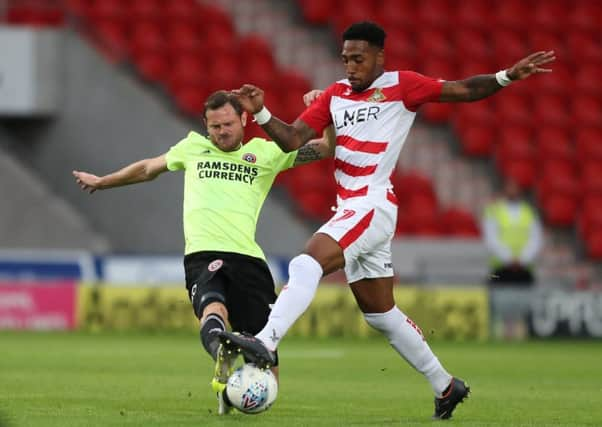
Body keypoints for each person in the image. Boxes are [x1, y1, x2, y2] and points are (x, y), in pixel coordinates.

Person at [218, 21, 555, 420]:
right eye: (345, 59)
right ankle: (446, 386)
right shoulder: (333, 95)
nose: (351, 67)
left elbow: (463, 90)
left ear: (380, 57)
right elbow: (292, 139)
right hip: (354, 208)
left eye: (359, 59)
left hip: (371, 203)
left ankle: (266, 340)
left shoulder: (403, 85)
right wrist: (263, 112)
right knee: (381, 314)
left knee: (307, 261)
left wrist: (505, 76)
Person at [72, 90, 334, 415]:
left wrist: (327, 113)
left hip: (250, 261)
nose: (221, 132)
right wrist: (103, 182)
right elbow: (147, 169)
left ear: (243, 119)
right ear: (205, 126)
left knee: (267, 371)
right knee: (213, 308)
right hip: (202, 253)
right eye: (214, 126)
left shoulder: (266, 153)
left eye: (227, 124)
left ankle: (229, 390)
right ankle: (222, 350)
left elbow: (325, 148)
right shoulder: (193, 147)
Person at [483, 177, 543, 286]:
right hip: (499, 268)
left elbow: (535, 239)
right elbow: (491, 239)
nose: (512, 190)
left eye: (515, 187)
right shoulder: (493, 211)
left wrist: (522, 259)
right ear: (504, 189)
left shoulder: (529, 212)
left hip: (524, 268)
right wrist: (509, 259)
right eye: (509, 187)